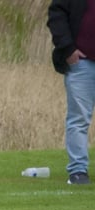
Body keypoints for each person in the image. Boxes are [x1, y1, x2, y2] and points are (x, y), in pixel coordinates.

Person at [47, 0, 95, 185]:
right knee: (79, 119)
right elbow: (56, 15)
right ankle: (78, 171)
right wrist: (68, 49)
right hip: (81, 63)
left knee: (78, 120)